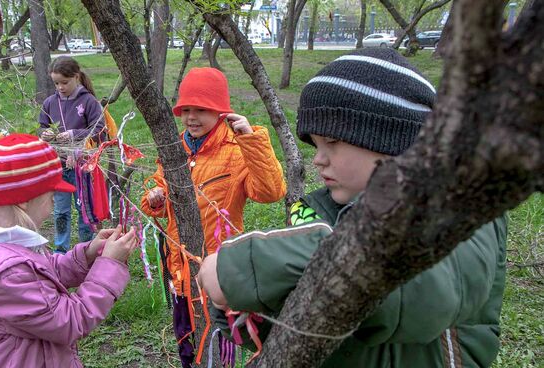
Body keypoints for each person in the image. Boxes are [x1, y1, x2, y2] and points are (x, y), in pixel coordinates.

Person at [197, 48, 508, 367]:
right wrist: (248, 312)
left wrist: (242, 269)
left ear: (389, 142)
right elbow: (302, 322)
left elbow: (421, 288)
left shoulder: (462, 206)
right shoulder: (326, 210)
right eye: (316, 145)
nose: (318, 158)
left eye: (332, 141)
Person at [0, 133, 138, 367]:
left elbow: (40, 273)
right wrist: (109, 265)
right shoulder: (9, 275)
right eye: (52, 196)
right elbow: (70, 321)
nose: (54, 204)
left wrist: (87, 256)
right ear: (25, 200)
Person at [140, 67, 286, 367]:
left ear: (220, 112)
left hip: (220, 273)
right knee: (186, 339)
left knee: (219, 345)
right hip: (180, 271)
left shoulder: (235, 151)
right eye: (186, 110)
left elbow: (270, 192)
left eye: (201, 110)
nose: (191, 117)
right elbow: (156, 189)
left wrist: (252, 141)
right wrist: (155, 197)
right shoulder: (174, 148)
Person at [38, 56, 105, 253]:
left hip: (82, 165)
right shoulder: (50, 103)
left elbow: (100, 130)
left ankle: (86, 247)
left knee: (84, 208)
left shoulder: (89, 102)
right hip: (58, 165)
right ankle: (61, 250)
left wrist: (75, 134)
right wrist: (45, 133)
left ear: (76, 77)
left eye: (64, 82)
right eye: (56, 83)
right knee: (60, 210)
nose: (60, 87)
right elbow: (41, 127)